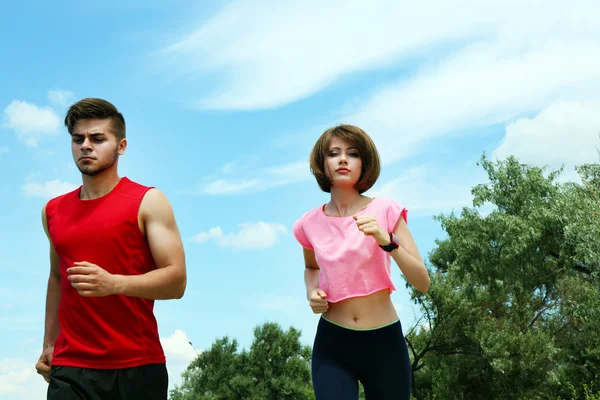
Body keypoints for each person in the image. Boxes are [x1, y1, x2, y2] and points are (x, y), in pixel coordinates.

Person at [34, 98, 187, 400]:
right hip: (70, 367)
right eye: (78, 139)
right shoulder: (52, 210)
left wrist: (113, 283)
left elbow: (176, 281)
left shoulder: (148, 201)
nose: (86, 146)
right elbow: (57, 278)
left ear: (121, 146)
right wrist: (49, 344)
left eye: (98, 138)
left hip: (136, 366)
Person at [292, 124, 430, 400]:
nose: (343, 159)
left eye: (352, 153)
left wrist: (387, 240)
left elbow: (423, 282)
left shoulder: (387, 210)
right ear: (323, 163)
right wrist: (312, 291)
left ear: (364, 163)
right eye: (334, 153)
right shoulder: (308, 224)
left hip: (384, 343)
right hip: (333, 345)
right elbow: (311, 268)